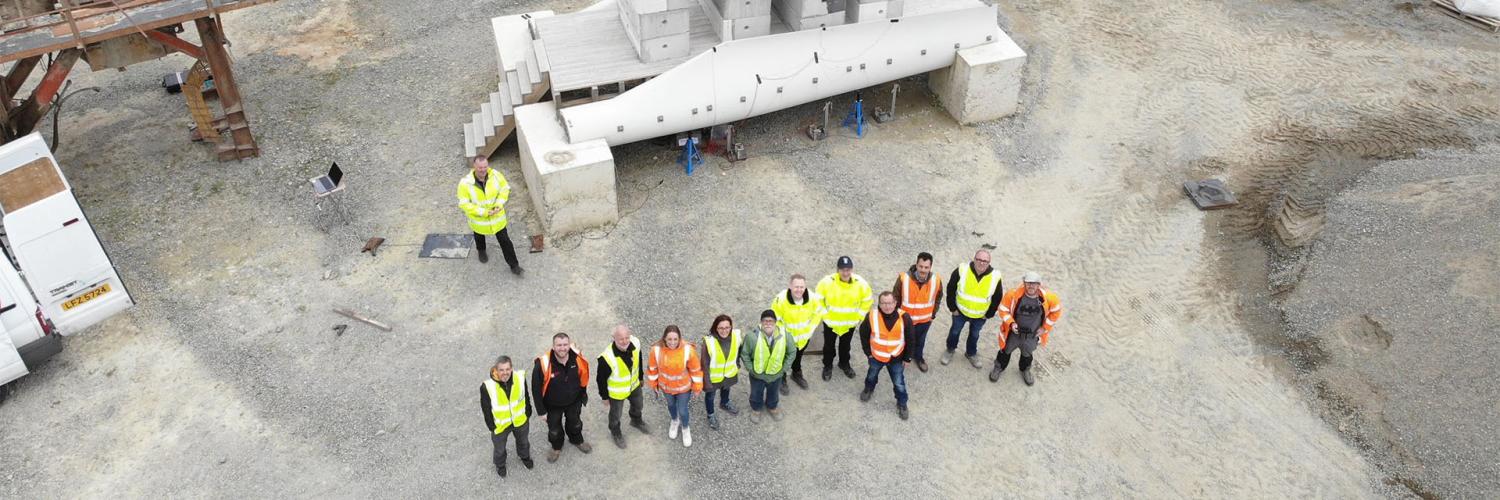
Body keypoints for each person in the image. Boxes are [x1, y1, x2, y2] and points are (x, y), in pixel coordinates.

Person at [990, 272, 1064, 386]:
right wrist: (1011, 323)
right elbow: (1003, 309)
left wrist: (1045, 328)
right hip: (1013, 334)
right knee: (1005, 351)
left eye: (1034, 284)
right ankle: (998, 367)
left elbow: (1056, 311)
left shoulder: (1048, 298)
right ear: (1024, 283)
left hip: (1032, 336)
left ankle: (1025, 370)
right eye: (1028, 283)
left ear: (1039, 285)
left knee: (1027, 354)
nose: (1031, 286)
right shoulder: (1013, 294)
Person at [531, 333, 592, 463]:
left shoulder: (577, 359)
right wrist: (541, 411)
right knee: (554, 429)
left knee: (575, 423)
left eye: (565, 345)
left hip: (574, 402)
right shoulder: (543, 364)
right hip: (552, 406)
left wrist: (582, 396)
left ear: (569, 345)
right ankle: (556, 447)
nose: (562, 348)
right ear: (553, 347)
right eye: (559, 345)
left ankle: (576, 439)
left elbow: (583, 377)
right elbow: (535, 389)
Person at [457, 157, 523, 275]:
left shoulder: (496, 176)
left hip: (497, 218)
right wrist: (483, 212)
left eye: (485, 167)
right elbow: (464, 203)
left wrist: (499, 204)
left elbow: (504, 189)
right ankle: (481, 250)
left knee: (505, 241)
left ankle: (514, 265)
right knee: (479, 235)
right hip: (479, 219)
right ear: (474, 167)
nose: (483, 170)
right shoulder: (465, 183)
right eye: (480, 167)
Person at [942, 249, 1004, 369]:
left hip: (980, 315)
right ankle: (950, 350)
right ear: (974, 259)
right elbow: (950, 288)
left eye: (985, 261)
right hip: (960, 312)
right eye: (979, 260)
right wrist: (952, 308)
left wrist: (989, 314)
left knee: (974, 335)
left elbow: (997, 297)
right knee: (955, 332)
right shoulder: (962, 270)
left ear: (989, 262)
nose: (981, 263)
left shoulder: (995, 276)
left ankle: (970, 353)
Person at [816, 256, 873, 381]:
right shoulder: (827, 282)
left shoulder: (861, 284)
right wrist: (824, 315)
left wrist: (859, 316)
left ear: (852, 269)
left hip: (849, 323)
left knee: (845, 345)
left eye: (848, 269)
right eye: (842, 269)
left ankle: (844, 363)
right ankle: (827, 366)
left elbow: (867, 300)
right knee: (828, 346)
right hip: (831, 323)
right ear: (838, 270)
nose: (845, 273)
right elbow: (818, 299)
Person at [646, 325, 704, 447]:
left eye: (675, 339)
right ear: (664, 339)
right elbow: (652, 369)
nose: (672, 342)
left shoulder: (688, 351)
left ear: (680, 338)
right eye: (669, 339)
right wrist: (654, 385)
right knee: (671, 405)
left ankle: (685, 428)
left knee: (683, 410)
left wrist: (697, 387)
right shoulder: (656, 351)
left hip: (684, 388)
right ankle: (674, 420)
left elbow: (696, 370)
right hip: (666, 388)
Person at [859, 292, 913, 420]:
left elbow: (911, 339)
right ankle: (868, 389)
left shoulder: (904, 317)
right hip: (876, 357)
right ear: (879, 304)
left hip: (896, 358)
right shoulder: (872, 316)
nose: (887, 306)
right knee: (871, 375)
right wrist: (868, 353)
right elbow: (863, 334)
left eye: (889, 303)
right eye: (883, 303)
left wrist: (907, 358)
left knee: (899, 383)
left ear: (895, 303)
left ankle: (902, 403)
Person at [596, 325, 650, 449]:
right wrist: (604, 397)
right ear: (613, 338)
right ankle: (615, 432)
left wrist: (641, 377)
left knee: (639, 405)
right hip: (617, 393)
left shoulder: (635, 343)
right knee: (616, 415)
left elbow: (639, 359)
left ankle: (636, 420)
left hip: (634, 386)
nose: (625, 341)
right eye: (621, 339)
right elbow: (600, 380)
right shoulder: (607, 358)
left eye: (627, 337)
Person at [770, 273, 826, 394]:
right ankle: (782, 377)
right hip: (786, 339)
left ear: (805, 287)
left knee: (798, 357)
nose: (799, 290)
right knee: (784, 359)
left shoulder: (812, 298)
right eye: (796, 287)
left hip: (803, 339)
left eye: (801, 287)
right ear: (790, 286)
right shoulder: (781, 300)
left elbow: (819, 313)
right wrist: (783, 334)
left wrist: (811, 328)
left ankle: (796, 373)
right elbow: (774, 320)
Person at [480, 356, 533, 477]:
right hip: (500, 425)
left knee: (523, 442)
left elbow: (525, 394)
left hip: (520, 420)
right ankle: (500, 464)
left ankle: (524, 456)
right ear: (496, 370)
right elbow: (486, 408)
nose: (505, 373)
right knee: (499, 449)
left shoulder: (519, 377)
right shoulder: (487, 387)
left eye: (507, 369)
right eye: (501, 370)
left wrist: (528, 411)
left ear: (511, 368)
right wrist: (491, 425)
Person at [740, 309, 797, 422]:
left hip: (776, 374)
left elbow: (791, 352)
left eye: (771, 321)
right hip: (757, 375)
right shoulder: (752, 337)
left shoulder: (785, 336)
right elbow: (745, 354)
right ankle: (756, 408)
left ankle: (772, 407)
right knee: (756, 392)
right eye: (765, 321)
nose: (768, 323)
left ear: (775, 322)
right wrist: (751, 369)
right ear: (761, 322)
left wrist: (783, 369)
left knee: (773, 392)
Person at [892, 252, 943, 372]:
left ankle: (918, 358)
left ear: (930, 267)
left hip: (925, 320)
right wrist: (896, 316)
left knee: (920, 341)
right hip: (906, 320)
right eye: (921, 266)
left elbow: (939, 297)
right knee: (903, 340)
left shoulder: (936, 280)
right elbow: (895, 298)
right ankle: (901, 359)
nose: (923, 270)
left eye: (926, 267)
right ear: (916, 264)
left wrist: (933, 314)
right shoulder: (903, 278)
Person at [699, 315, 742, 430]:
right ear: (715, 328)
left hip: (728, 374)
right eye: (721, 328)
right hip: (713, 378)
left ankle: (724, 402)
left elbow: (738, 350)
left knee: (726, 389)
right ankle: (711, 414)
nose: (724, 331)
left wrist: (737, 364)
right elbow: (704, 364)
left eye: (727, 327)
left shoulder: (736, 336)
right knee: (710, 397)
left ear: (731, 327)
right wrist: (706, 382)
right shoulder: (709, 342)